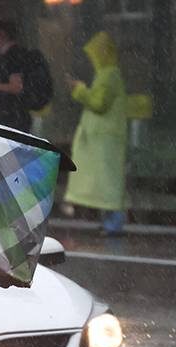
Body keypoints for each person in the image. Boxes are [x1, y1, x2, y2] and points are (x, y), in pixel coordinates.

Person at [63, 31, 128, 236]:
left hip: (104, 141)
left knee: (108, 183)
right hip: (103, 140)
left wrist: (80, 89)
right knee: (106, 183)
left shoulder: (109, 74)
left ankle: (113, 224)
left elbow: (99, 103)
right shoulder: (108, 74)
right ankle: (110, 222)